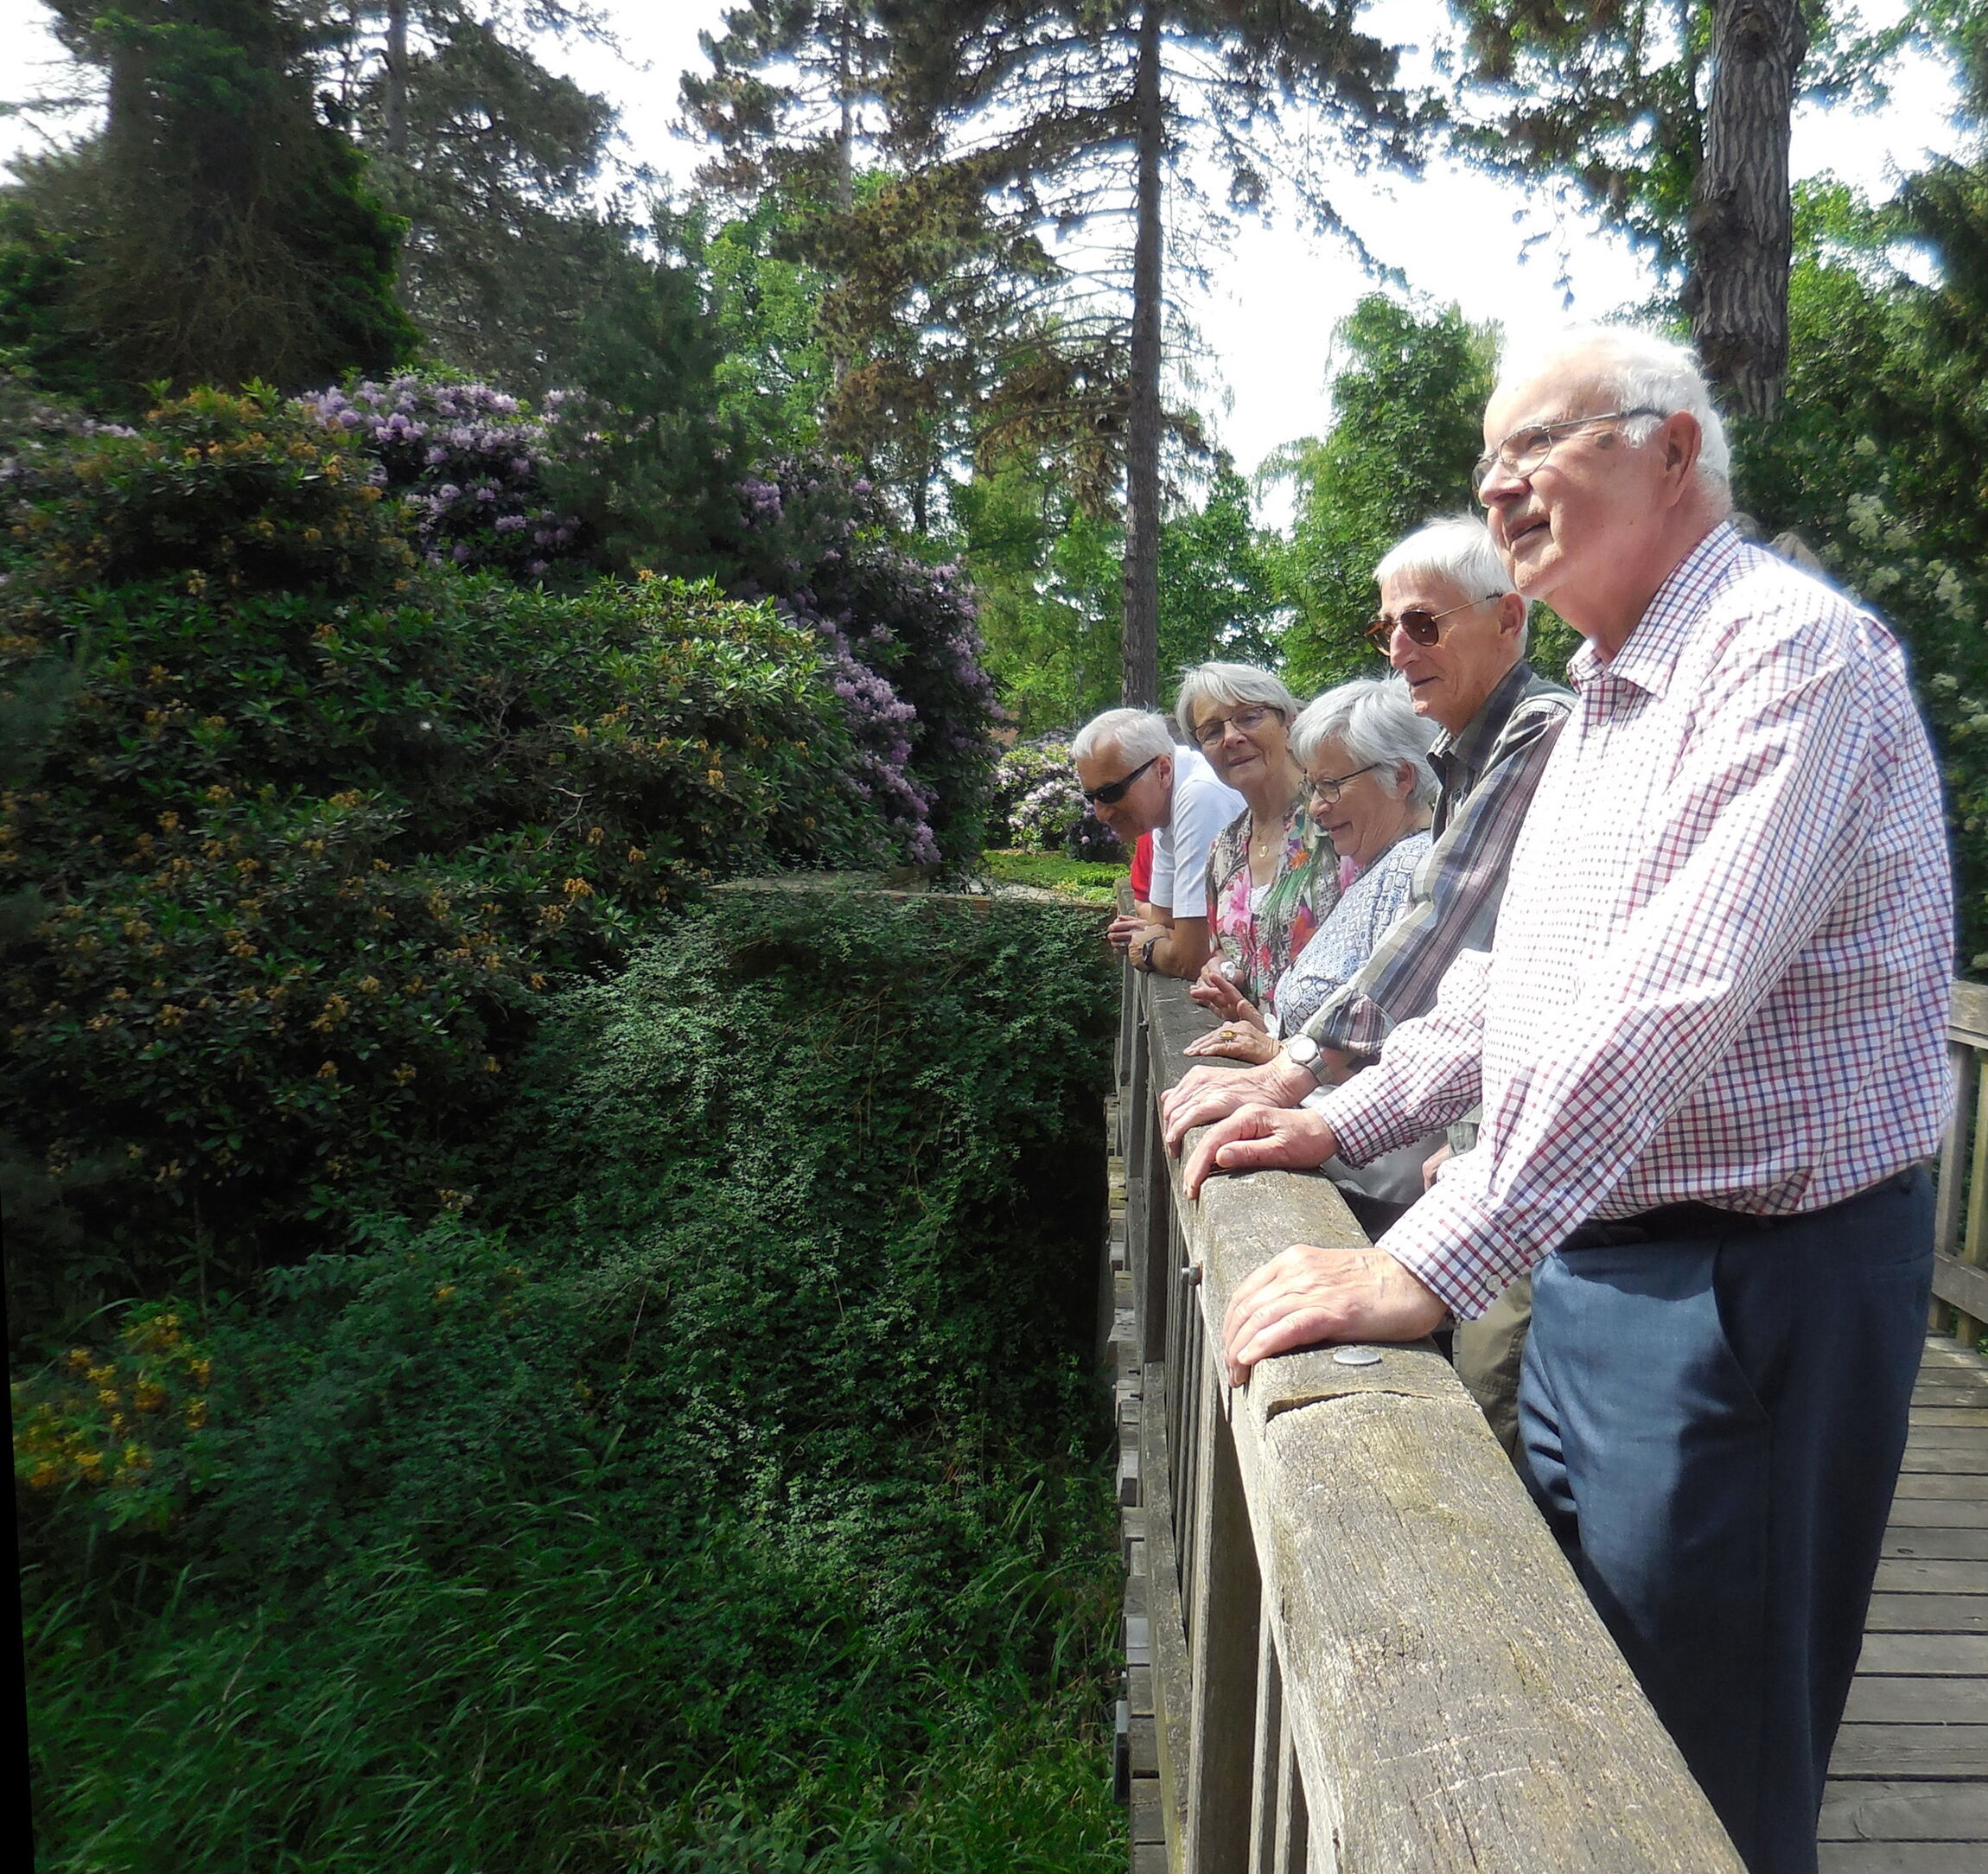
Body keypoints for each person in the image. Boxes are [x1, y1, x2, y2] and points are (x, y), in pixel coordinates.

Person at [1180, 326, 1951, 1874]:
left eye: (1541, 445)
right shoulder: (1607, 688)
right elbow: (1521, 984)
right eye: (1487, 462)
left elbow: (1672, 997)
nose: (1500, 483)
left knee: (1699, 1768)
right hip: (1600, 1259)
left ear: (1675, 453)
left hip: (1757, 1283)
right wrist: (1345, 1116)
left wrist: (1426, 1254)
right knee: (1581, 1696)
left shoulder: (1793, 655)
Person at [1163, 516, 1571, 1450]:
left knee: (1487, 1409)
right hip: (1484, 1157)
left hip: (1538, 1175)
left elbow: (1439, 925)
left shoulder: (1539, 729)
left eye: (1422, 623)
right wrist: (1313, 1103)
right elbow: (1478, 982)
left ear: (1509, 617)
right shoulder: (1469, 754)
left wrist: (1291, 1073)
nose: (1398, 647)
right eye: (1386, 627)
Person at [1186, 676, 1437, 1059]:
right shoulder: (1380, 861)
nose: (1317, 807)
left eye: (1330, 785)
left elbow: (1399, 1047)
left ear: (1402, 777)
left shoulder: (1409, 867)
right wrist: (1259, 1020)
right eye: (1211, 730)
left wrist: (1280, 1054)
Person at [1174, 662, 1335, 1018]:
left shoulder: (1337, 818)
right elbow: (1221, 953)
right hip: (1253, 1058)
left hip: (1330, 1064)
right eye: (1212, 731)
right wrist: (1220, 972)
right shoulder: (1223, 849)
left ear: (1288, 723)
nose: (1231, 737)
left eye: (1249, 717)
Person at [1074, 706, 1243, 978]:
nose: (1100, 813)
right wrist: (1164, 936)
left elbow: (1191, 959)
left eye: (1110, 792)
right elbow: (1164, 919)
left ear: (1163, 770)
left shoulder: (1200, 795)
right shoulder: (1165, 807)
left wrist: (1149, 948)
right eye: (1091, 796)